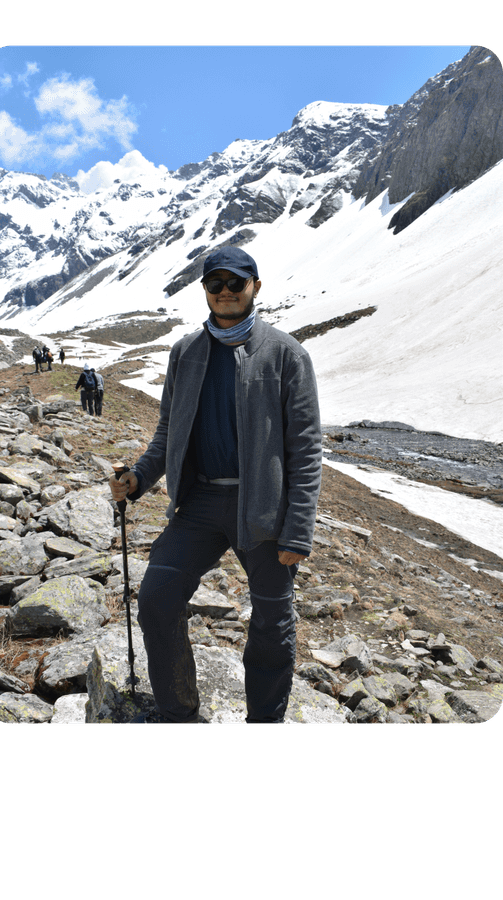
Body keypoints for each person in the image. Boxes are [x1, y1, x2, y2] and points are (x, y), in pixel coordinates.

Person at [112, 245, 320, 724]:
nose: (225, 292)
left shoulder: (287, 354)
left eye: (236, 283)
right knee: (157, 602)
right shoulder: (186, 351)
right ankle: (178, 716)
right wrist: (139, 477)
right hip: (201, 503)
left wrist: (299, 530)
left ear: (255, 288)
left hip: (264, 509)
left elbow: (306, 449)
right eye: (215, 284)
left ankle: (263, 724)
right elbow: (169, 431)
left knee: (272, 622)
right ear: (204, 290)